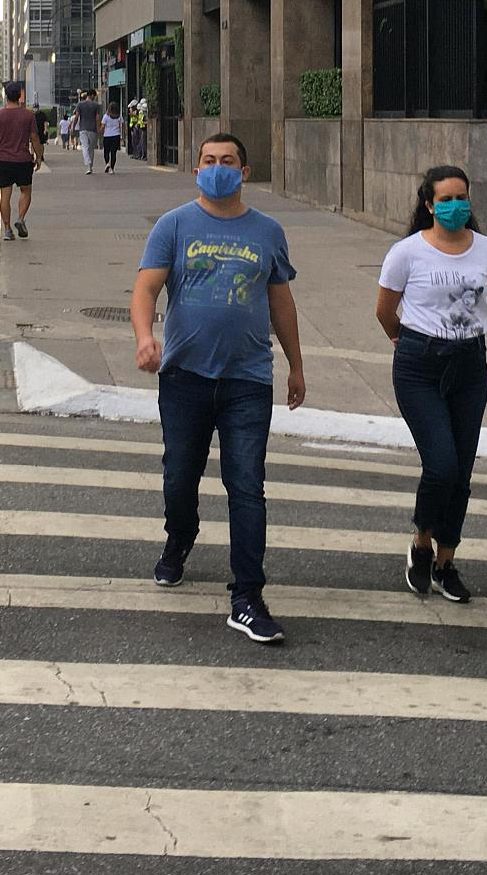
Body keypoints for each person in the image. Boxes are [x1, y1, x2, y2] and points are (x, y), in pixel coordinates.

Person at [132, 133, 307, 644]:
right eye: (208, 161)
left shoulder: (268, 231)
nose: (217, 168)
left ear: (244, 172)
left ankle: (247, 596)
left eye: (227, 161)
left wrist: (296, 366)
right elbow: (145, 288)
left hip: (247, 380)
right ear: (196, 170)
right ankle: (179, 540)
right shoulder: (175, 224)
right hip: (185, 377)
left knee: (247, 486)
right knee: (179, 478)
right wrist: (146, 338)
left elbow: (282, 305)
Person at [373, 165, 487, 604]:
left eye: (461, 198)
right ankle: (421, 544)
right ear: (428, 205)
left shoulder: (486, 249)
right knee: (442, 465)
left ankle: (447, 563)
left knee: (462, 474)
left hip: (470, 366)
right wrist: (404, 338)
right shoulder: (407, 253)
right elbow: (385, 310)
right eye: (445, 200)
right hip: (419, 366)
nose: (454, 206)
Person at [0, 79, 44, 241]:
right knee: (25, 191)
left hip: (4, 160)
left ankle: (7, 230)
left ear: (6, 96)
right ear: (19, 95)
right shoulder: (28, 115)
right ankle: (20, 218)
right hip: (23, 159)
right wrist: (38, 156)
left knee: (4, 196)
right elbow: (34, 137)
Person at [74, 89, 103, 174]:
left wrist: (72, 126)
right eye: (95, 96)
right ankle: (89, 167)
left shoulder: (80, 104)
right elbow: (97, 118)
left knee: (85, 147)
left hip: (83, 128)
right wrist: (98, 128)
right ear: (92, 95)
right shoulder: (96, 105)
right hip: (93, 130)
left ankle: (88, 164)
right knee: (91, 149)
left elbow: (77, 116)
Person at [101, 102, 124, 174]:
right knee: (113, 153)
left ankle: (107, 163)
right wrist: (122, 136)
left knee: (106, 151)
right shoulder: (119, 117)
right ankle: (112, 168)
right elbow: (122, 126)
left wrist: (100, 131)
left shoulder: (106, 116)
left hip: (107, 136)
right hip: (116, 136)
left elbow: (103, 126)